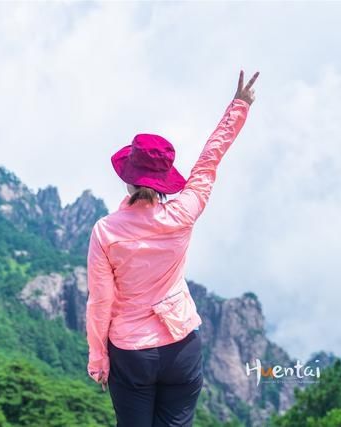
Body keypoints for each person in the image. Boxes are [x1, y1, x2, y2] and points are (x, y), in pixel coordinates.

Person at [86, 69, 259, 426]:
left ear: (128, 177)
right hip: (181, 346)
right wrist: (238, 107)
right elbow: (208, 164)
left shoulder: (105, 232)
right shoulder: (183, 212)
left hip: (132, 353)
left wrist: (99, 360)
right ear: (165, 179)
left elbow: (100, 301)